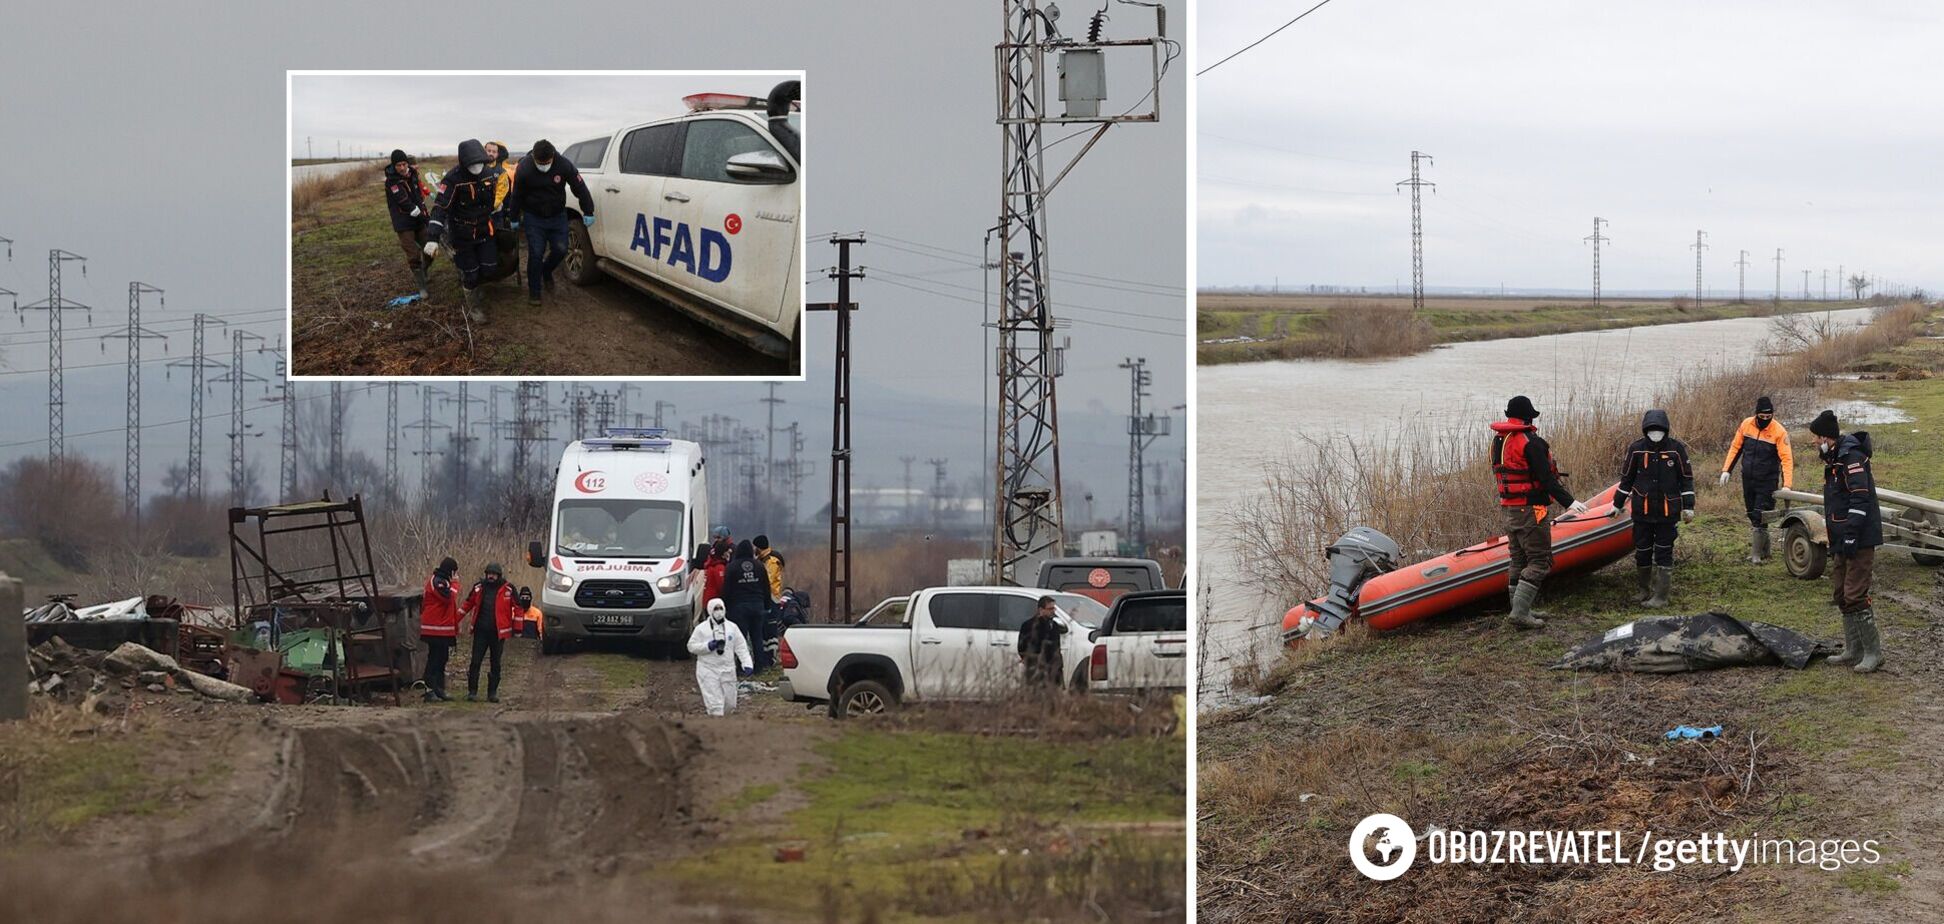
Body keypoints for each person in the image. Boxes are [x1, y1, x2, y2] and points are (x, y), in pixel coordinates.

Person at [1490, 396, 1588, 630]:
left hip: (1509, 509)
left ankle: (1519, 609)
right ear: (1529, 417)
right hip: (1530, 511)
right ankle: (1520, 613)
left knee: (1518, 559)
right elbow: (1546, 479)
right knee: (1540, 561)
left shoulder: (1499, 440)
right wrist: (1570, 502)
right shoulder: (1532, 443)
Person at [1812, 410, 1885, 673]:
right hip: (1841, 536)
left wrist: (1852, 533)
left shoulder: (1851, 458)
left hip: (1859, 537)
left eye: (1816, 437)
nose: (1813, 442)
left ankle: (1873, 653)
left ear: (1826, 437)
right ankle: (1853, 649)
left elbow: (1860, 497)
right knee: (1841, 593)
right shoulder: (1834, 460)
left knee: (1855, 594)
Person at [1613, 409, 1696, 608]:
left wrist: (1689, 507)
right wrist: (1617, 504)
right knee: (1642, 550)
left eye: (1659, 429)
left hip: (1668, 512)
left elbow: (1686, 479)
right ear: (1645, 430)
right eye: (1651, 430)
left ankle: (1661, 596)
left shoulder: (1677, 449)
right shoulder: (1636, 449)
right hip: (1642, 511)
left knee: (1664, 551)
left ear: (1666, 430)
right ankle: (1644, 590)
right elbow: (1626, 480)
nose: (1655, 433)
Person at [504, 139, 595, 307]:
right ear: (534, 157)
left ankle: (546, 271)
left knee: (561, 250)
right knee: (536, 253)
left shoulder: (564, 165)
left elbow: (580, 188)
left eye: (547, 163)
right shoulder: (524, 168)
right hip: (534, 217)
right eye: (540, 163)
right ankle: (534, 292)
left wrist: (588, 210)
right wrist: (514, 217)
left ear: (553, 156)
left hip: (557, 215)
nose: (543, 166)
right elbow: (516, 195)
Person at [425, 138, 499, 325]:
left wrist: (496, 208)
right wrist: (432, 237)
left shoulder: (489, 174)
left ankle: (476, 285)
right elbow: (440, 207)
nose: (477, 168)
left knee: (490, 268)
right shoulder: (452, 179)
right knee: (471, 273)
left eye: (480, 163)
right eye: (472, 164)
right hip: (462, 234)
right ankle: (474, 306)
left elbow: (492, 198)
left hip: (484, 230)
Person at [1720, 396, 1794, 564]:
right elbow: (1736, 447)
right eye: (1762, 416)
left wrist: (1787, 485)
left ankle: (1756, 555)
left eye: (1769, 416)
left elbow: (1787, 459)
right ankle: (1765, 551)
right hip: (1748, 478)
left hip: (1767, 481)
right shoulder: (1746, 425)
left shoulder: (1779, 432)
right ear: (1756, 414)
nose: (1765, 419)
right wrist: (1726, 470)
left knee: (1760, 515)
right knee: (1751, 513)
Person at [458, 562, 519, 702]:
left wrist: (518, 628)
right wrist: (455, 620)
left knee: (495, 663)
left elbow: (518, 608)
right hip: (480, 632)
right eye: (489, 574)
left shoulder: (509, 589)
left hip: (498, 633)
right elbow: (467, 604)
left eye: (494, 574)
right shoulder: (478, 588)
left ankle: (492, 693)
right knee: (475, 661)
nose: (491, 576)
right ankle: (472, 692)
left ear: (499, 575)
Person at [686, 598, 754, 716]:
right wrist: (707, 646)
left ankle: (724, 724)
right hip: (708, 669)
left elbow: (741, 647)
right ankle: (716, 725)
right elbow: (691, 646)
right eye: (715, 609)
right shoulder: (701, 629)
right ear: (710, 610)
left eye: (720, 608)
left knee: (730, 704)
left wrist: (747, 663)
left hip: (728, 670)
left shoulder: (732, 628)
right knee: (715, 706)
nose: (718, 611)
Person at [383, 149, 431, 300]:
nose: (402, 168)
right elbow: (402, 200)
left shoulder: (413, 174)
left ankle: (424, 270)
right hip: (403, 222)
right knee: (413, 255)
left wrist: (424, 213)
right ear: (394, 165)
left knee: (429, 248)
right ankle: (422, 286)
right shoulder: (391, 181)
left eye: (404, 164)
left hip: (418, 219)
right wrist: (413, 209)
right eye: (399, 165)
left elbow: (418, 196)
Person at [722, 540, 771, 671]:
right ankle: (759, 666)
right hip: (757, 606)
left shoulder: (732, 567)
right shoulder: (759, 566)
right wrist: (766, 605)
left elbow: (726, 589)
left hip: (738, 607)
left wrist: (725, 606)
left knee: (740, 639)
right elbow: (766, 587)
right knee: (757, 637)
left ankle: (743, 667)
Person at [418, 555, 460, 702]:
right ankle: (429, 690)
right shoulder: (438, 581)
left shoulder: (443, 581)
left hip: (443, 628)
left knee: (442, 657)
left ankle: (439, 688)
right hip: (434, 627)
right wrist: (455, 584)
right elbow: (448, 598)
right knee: (434, 659)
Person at [1016, 596, 1068, 687]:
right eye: (1050, 609)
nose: (1053, 611)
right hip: (1037, 670)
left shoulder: (1054, 625)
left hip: (1054, 671)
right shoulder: (1029, 626)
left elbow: (1056, 647)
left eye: (1054, 608)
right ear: (1041, 609)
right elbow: (1022, 648)